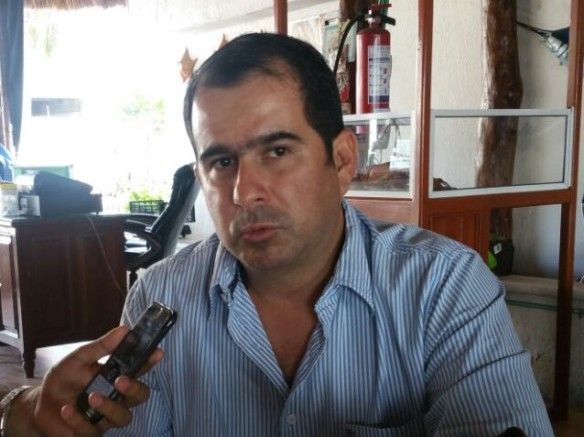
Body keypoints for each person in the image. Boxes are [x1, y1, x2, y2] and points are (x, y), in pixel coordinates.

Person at [3, 32, 552, 436]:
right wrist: (28, 415)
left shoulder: (444, 287)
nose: (246, 192)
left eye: (278, 151)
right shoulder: (161, 296)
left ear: (342, 160)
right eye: (221, 162)